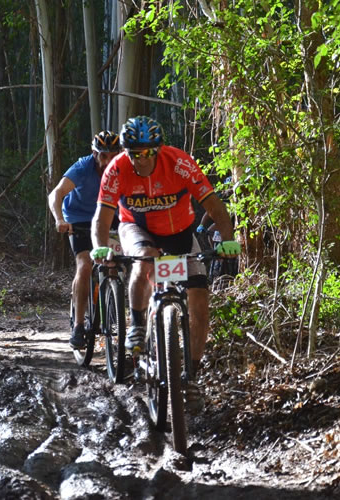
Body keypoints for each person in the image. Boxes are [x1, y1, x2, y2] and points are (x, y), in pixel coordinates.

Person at [90, 116, 240, 410]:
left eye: (147, 152)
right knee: (145, 260)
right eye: (134, 153)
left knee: (199, 299)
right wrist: (99, 249)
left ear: (158, 150)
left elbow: (214, 206)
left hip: (180, 231)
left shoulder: (179, 163)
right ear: (126, 151)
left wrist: (227, 239)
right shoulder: (116, 170)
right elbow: (101, 218)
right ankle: (136, 323)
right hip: (136, 228)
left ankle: (191, 376)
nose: (141, 159)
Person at [48, 131, 122, 349]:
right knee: (85, 265)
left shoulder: (123, 168)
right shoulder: (82, 168)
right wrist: (59, 219)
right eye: (103, 156)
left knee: (114, 264)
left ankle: (112, 306)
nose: (108, 161)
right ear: (94, 153)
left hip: (109, 219)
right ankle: (79, 325)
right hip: (79, 219)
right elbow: (56, 194)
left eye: (113, 155)